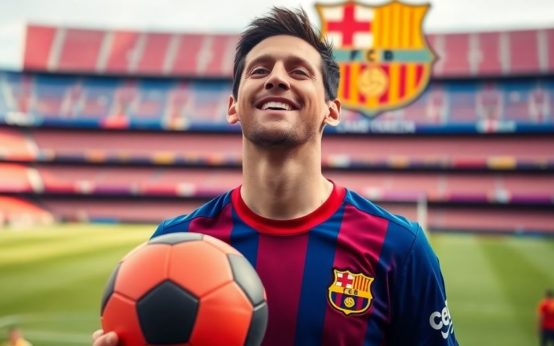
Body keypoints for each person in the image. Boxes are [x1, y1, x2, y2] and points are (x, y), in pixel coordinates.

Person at [93, 7, 458, 345]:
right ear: (233, 106)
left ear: (332, 110)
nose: (277, 79)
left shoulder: (399, 248)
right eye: (259, 70)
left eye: (299, 71)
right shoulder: (175, 243)